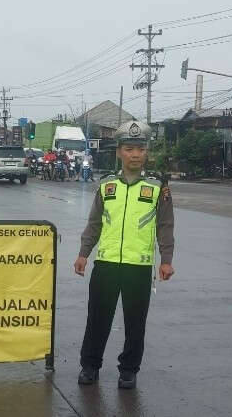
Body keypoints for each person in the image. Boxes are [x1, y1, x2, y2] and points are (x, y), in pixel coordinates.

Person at [74, 121, 175, 390]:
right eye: (129, 149)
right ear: (119, 152)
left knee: (135, 323)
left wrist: (166, 260)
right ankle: (90, 365)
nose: (135, 154)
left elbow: (165, 225)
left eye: (140, 149)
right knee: (97, 319)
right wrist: (84, 253)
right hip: (105, 265)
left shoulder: (157, 186)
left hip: (138, 267)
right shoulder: (107, 185)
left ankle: (128, 370)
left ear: (146, 153)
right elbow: (95, 223)